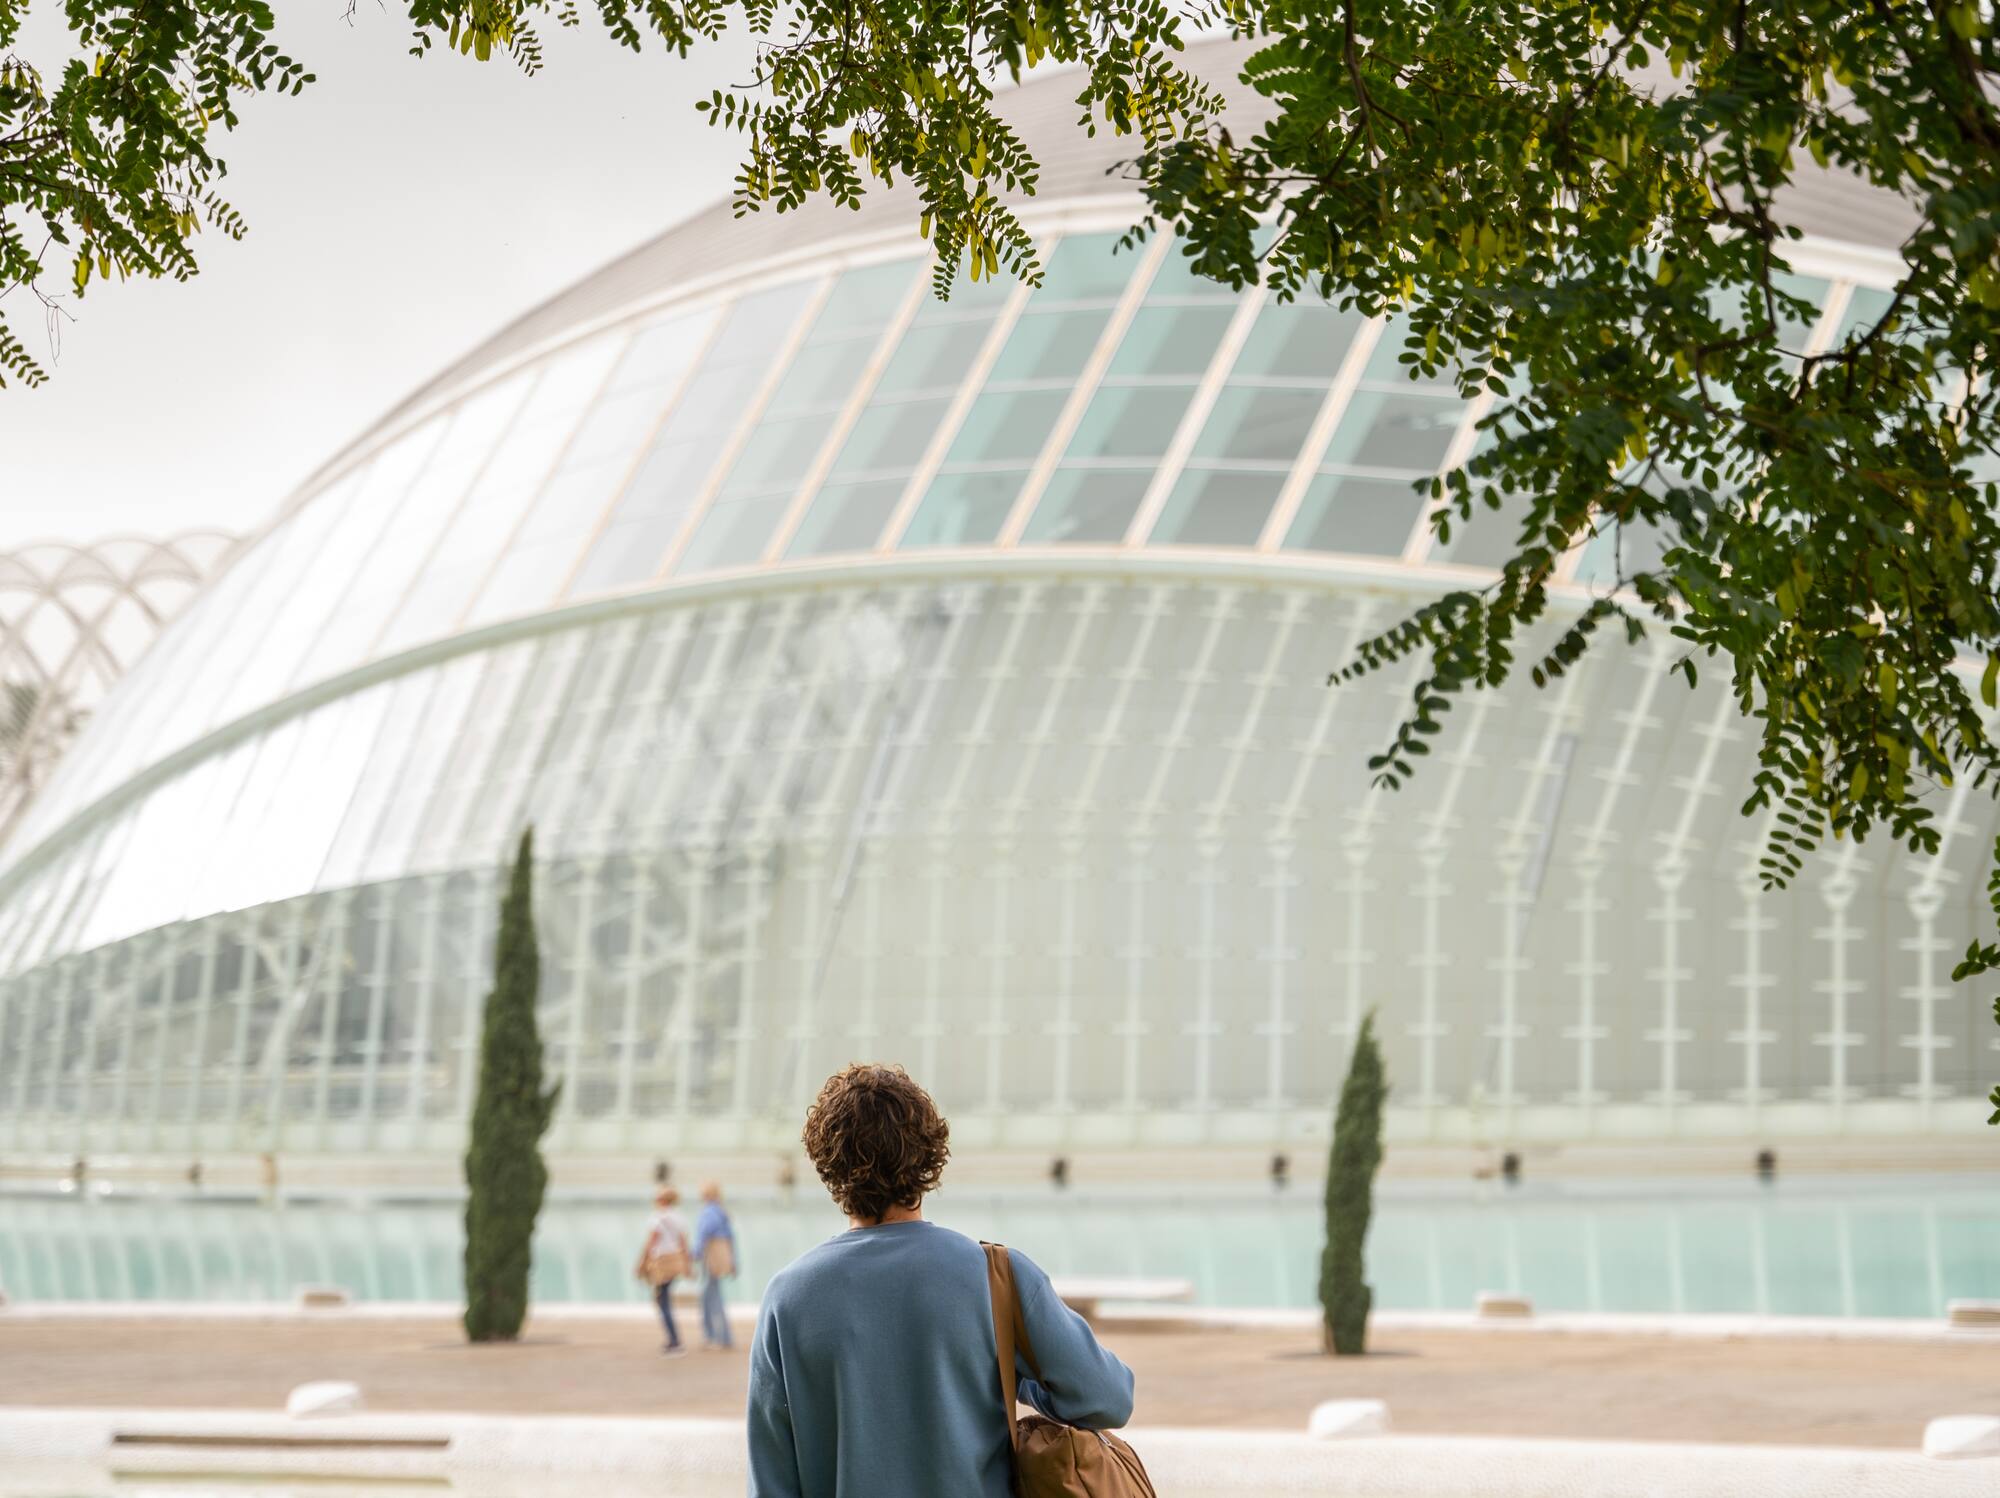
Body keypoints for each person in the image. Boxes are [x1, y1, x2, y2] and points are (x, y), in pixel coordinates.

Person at [747, 1064, 1133, 1497]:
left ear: (827, 1163)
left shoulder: (788, 1297)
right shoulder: (996, 1275)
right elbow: (1109, 1398)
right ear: (928, 1153)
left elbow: (771, 1480)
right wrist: (1011, 1377)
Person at [635, 1185, 692, 1357]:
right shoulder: (679, 1217)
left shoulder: (657, 1218)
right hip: (674, 1262)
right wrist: (686, 1264)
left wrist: (641, 1262)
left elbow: (651, 1242)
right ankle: (674, 1339)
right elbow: (683, 1242)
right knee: (664, 1298)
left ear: (663, 1199)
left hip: (661, 1262)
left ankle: (674, 1341)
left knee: (662, 1300)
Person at [693, 1180, 737, 1351]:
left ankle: (713, 1336)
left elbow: (703, 1235)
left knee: (709, 1297)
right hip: (721, 1259)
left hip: (709, 1258)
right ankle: (722, 1336)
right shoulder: (722, 1212)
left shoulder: (708, 1213)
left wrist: (695, 1253)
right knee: (714, 1296)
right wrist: (733, 1263)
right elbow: (731, 1238)